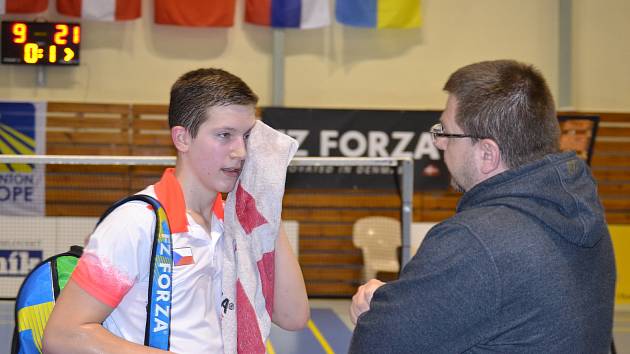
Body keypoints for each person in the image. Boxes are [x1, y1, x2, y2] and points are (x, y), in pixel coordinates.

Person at [349, 59, 616, 353]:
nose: (439, 144)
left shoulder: (473, 240)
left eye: (446, 132)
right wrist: (399, 306)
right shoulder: (584, 215)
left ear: (487, 154)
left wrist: (377, 316)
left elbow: (376, 346)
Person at [42, 68, 309, 353]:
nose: (240, 152)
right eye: (224, 135)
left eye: (246, 136)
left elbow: (292, 316)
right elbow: (63, 336)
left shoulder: (234, 223)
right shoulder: (136, 223)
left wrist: (267, 202)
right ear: (182, 138)